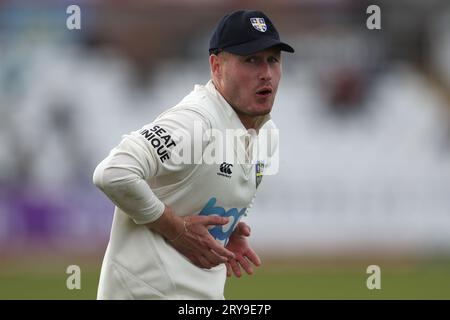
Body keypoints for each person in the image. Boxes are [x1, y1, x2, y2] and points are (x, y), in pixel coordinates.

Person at [93, 9, 294, 300]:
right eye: (250, 60)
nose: (265, 73)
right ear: (216, 66)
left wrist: (227, 231)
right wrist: (176, 230)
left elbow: (201, 188)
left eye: (272, 60)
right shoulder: (194, 123)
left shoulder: (267, 135)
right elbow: (112, 173)